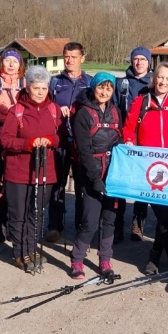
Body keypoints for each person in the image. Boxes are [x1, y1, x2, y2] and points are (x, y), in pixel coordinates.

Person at [123, 62, 168, 275]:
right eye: (160, 77)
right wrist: (129, 142)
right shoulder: (141, 102)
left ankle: (155, 254)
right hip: (151, 170)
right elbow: (128, 129)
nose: (162, 82)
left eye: (167, 79)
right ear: (153, 78)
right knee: (164, 215)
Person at [1, 65, 64, 272]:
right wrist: (27, 144)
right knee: (18, 213)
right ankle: (20, 252)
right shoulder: (16, 111)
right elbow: (6, 140)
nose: (40, 92)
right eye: (36, 88)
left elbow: (60, 137)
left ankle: (31, 247)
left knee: (35, 213)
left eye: (44, 88)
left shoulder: (54, 110)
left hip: (45, 171)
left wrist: (49, 140)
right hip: (18, 172)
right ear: (27, 87)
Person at [69, 72, 123, 279]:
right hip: (90, 171)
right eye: (101, 87)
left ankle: (105, 259)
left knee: (109, 218)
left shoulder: (115, 112)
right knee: (90, 219)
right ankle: (77, 259)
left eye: (109, 89)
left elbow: (118, 142)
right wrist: (95, 179)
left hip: (112, 171)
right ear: (93, 87)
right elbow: (83, 151)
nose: (104, 92)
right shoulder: (83, 114)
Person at [47, 42, 93, 244]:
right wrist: (57, 111)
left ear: (82, 58)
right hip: (60, 140)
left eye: (74, 57)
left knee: (83, 187)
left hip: (82, 143)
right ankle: (55, 227)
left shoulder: (90, 82)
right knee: (57, 185)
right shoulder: (54, 82)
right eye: (66, 56)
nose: (69, 60)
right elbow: (44, 106)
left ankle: (81, 229)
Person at [0, 49, 26, 243]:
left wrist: (6, 111)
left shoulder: (25, 83)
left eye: (14, 61)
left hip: (19, 141)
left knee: (16, 182)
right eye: (7, 61)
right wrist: (13, 114)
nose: (10, 65)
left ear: (20, 64)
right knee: (0, 182)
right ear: (2, 63)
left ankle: (14, 223)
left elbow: (30, 110)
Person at [114, 45, 154, 242]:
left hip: (146, 140)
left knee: (142, 184)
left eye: (143, 59)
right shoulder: (121, 83)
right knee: (121, 184)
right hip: (124, 140)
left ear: (149, 62)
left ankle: (138, 224)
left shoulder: (154, 84)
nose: (139, 63)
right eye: (136, 59)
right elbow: (113, 110)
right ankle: (117, 223)